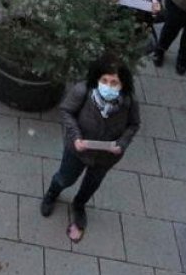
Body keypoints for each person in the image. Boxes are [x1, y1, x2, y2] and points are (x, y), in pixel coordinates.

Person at [40, 60, 141, 242]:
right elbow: (66, 112)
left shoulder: (129, 102)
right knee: (65, 177)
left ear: (123, 84)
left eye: (114, 82)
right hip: (77, 150)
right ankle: (52, 194)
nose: (108, 86)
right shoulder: (82, 92)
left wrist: (122, 143)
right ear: (97, 79)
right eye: (105, 80)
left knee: (92, 183)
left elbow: (134, 124)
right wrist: (76, 137)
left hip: (106, 157)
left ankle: (79, 205)